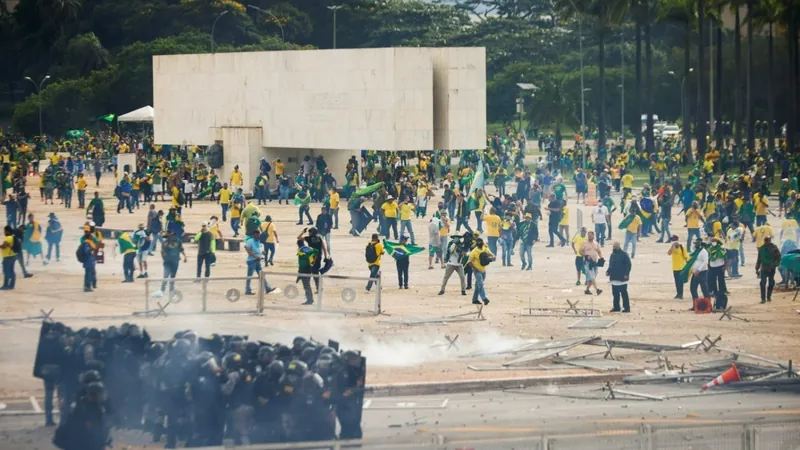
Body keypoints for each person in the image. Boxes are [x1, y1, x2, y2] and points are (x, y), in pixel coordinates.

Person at [152, 230, 187, 298]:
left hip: (175, 261)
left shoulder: (178, 241)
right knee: (165, 276)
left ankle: (171, 291)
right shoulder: (165, 243)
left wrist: (185, 256)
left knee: (172, 277)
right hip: (167, 262)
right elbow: (162, 251)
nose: (170, 236)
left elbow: (181, 249)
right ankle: (162, 291)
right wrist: (164, 259)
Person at [244, 230, 276, 296]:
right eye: (256, 235)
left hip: (257, 261)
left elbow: (259, 248)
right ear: (253, 235)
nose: (258, 236)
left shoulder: (259, 241)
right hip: (251, 261)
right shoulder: (250, 241)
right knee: (249, 276)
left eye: (258, 235)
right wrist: (256, 256)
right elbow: (248, 250)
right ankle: (247, 290)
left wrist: (262, 252)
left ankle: (267, 288)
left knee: (261, 275)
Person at [297, 226, 328, 293]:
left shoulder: (309, 238)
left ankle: (318, 288)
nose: (309, 233)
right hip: (319, 257)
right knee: (315, 272)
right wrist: (326, 257)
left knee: (313, 273)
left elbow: (298, 238)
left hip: (312, 258)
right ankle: (319, 288)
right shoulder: (319, 238)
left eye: (309, 232)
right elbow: (324, 248)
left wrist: (303, 231)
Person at [607, 241, 632, 313]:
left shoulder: (624, 255)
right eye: (613, 247)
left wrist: (626, 274)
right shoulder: (612, 255)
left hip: (622, 278)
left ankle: (627, 308)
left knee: (624, 293)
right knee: (615, 294)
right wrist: (608, 272)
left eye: (615, 247)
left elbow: (628, 265)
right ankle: (616, 307)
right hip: (614, 277)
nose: (614, 248)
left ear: (618, 247)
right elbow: (611, 265)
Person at [468, 237, 494, 305]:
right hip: (477, 270)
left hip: (483, 270)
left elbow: (492, 255)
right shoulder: (473, 252)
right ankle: (484, 298)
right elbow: (469, 262)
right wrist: (475, 268)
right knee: (481, 284)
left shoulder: (485, 248)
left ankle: (475, 299)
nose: (480, 244)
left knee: (478, 285)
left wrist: (490, 258)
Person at [756, 236, 781, 304]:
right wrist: (757, 268)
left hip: (771, 268)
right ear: (765, 241)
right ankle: (763, 298)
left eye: (768, 240)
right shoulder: (762, 248)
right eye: (766, 241)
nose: (767, 242)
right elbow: (759, 259)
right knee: (763, 283)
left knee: (771, 282)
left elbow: (778, 257)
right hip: (764, 267)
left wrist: (775, 264)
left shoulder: (774, 247)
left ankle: (769, 296)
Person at [580, 231, 603, 296]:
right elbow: (580, 251)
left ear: (593, 236)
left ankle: (587, 290)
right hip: (587, 263)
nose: (589, 236)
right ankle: (597, 290)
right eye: (588, 235)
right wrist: (586, 255)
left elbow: (599, 252)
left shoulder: (596, 243)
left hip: (595, 263)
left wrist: (601, 258)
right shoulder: (585, 243)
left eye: (591, 235)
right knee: (592, 276)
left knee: (592, 278)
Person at [296, 238, 318, 304]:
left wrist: (299, 273)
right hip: (310, 268)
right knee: (307, 284)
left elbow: (301, 264)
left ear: (298, 245)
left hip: (304, 270)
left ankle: (310, 300)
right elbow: (316, 253)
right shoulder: (309, 248)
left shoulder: (300, 251)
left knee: (306, 286)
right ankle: (310, 299)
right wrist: (313, 262)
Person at [1, 225, 16, 289]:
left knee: (6, 271)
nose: (4, 232)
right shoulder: (12, 237)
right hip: (12, 256)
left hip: (8, 257)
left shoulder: (8, 238)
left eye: (4, 231)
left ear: (7, 231)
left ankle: (6, 285)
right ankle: (11, 285)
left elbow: (4, 246)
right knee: (11, 271)